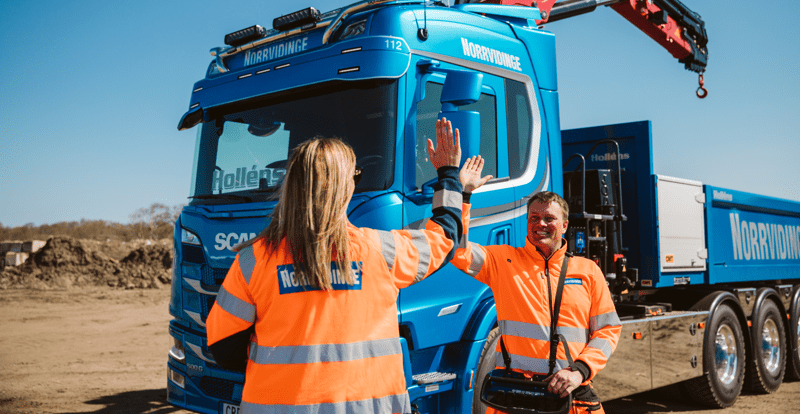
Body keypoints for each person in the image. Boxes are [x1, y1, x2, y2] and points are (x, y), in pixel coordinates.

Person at [206, 118, 488, 414]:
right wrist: (451, 179)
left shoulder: (254, 259)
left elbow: (224, 348)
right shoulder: (381, 250)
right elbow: (444, 237)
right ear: (345, 186)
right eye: (356, 174)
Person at [452, 190, 622, 414]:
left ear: (564, 226)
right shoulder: (503, 261)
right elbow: (457, 250)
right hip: (515, 396)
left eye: (549, 218)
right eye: (533, 218)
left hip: (569, 396)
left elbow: (608, 330)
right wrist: (463, 196)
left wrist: (579, 371)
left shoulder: (587, 271)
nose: (540, 223)